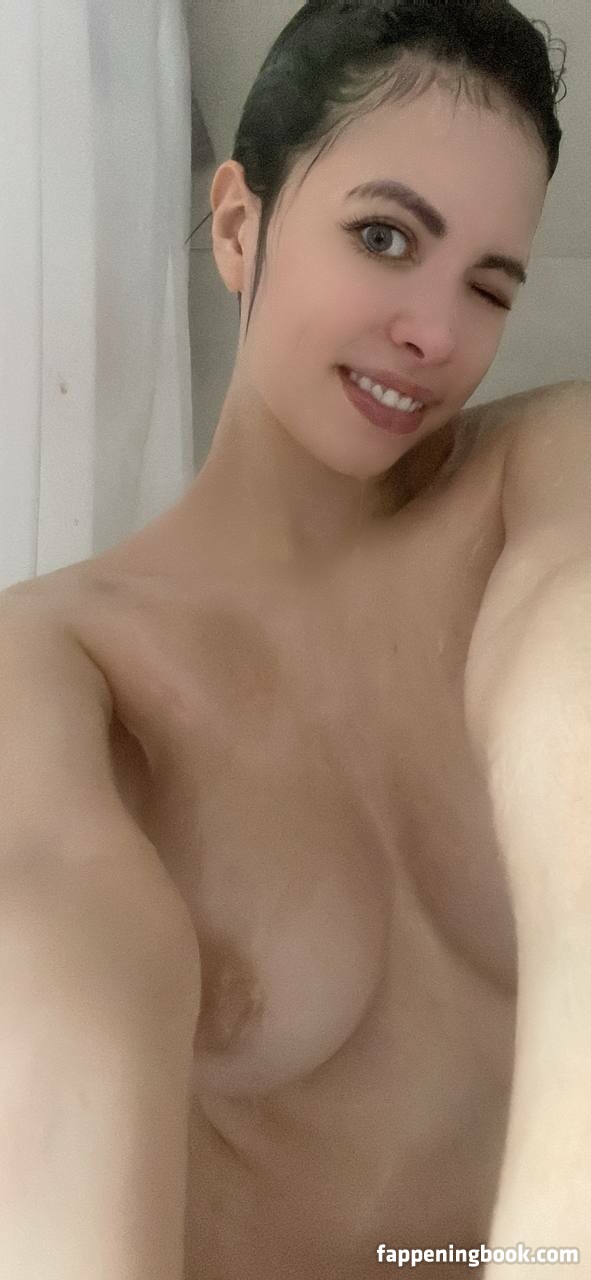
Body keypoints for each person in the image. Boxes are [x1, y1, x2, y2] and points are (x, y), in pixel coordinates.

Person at [0, 2, 572, 1277]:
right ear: (237, 224)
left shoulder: (541, 483)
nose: (437, 334)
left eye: (489, 286)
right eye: (385, 237)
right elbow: (62, 1018)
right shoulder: (55, 667)